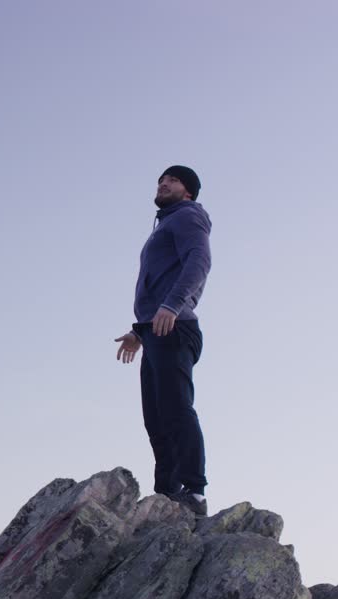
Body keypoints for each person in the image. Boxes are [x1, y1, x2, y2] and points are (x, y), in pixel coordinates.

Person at [114, 166, 212, 516]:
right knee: (155, 417)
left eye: (172, 180)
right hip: (155, 331)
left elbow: (199, 261)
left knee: (175, 408)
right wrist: (139, 331)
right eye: (160, 180)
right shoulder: (166, 223)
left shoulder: (188, 215)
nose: (163, 183)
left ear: (188, 191)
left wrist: (173, 305)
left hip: (175, 327)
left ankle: (195, 491)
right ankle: (168, 496)